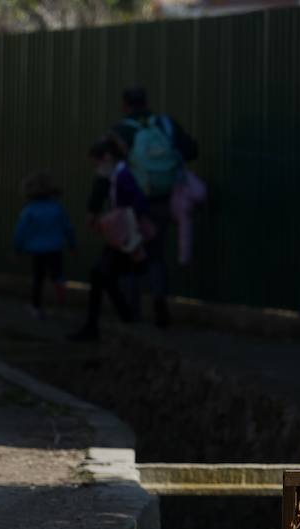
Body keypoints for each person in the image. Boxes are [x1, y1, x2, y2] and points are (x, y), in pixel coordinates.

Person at [109, 86, 199, 328]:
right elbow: (191, 150)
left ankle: (132, 311)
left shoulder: (120, 131)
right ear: (147, 102)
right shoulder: (166, 125)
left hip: (132, 202)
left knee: (132, 253)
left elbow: (110, 167)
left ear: (125, 105)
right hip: (164, 200)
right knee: (157, 255)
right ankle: (159, 301)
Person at [68, 138, 147, 343]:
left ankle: (99, 325)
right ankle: (119, 318)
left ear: (107, 158)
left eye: (96, 163)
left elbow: (137, 203)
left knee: (101, 274)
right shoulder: (119, 175)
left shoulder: (122, 176)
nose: (96, 169)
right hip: (123, 236)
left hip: (125, 237)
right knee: (102, 275)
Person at [13, 171, 76, 319]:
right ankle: (59, 296)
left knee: (38, 278)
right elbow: (68, 228)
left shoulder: (29, 210)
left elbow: (20, 232)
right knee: (57, 274)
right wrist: (72, 245)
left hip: (37, 250)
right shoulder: (57, 208)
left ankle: (36, 307)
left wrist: (17, 249)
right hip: (55, 248)